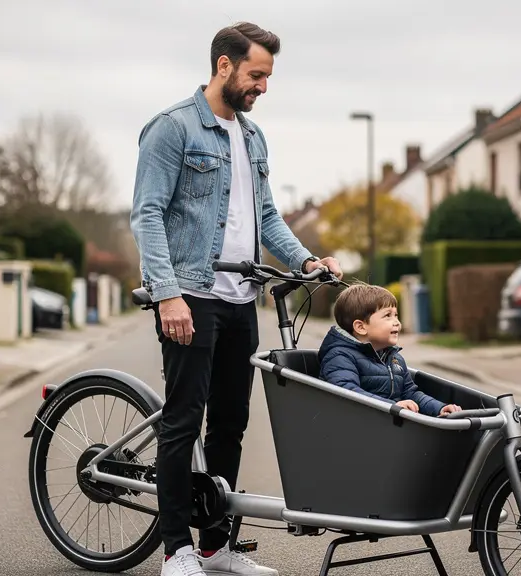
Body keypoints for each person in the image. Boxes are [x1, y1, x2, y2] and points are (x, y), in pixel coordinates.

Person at [130, 21, 343, 576]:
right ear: (223, 66)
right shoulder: (172, 129)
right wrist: (167, 293)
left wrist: (305, 262)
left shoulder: (252, 138)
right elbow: (147, 214)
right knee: (183, 421)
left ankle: (214, 546)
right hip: (189, 294)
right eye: (256, 75)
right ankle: (175, 550)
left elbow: (265, 216)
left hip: (240, 295)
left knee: (230, 424)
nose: (263, 87)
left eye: (268, 76)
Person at [318, 283, 461, 417]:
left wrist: (439, 408)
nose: (397, 322)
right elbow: (346, 391)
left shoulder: (394, 358)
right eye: (388, 316)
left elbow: (410, 393)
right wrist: (393, 406)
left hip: (390, 425)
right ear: (361, 327)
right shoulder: (340, 356)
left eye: (396, 315)